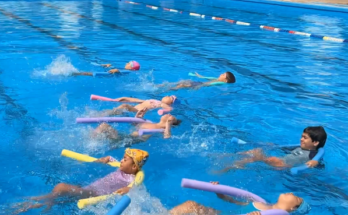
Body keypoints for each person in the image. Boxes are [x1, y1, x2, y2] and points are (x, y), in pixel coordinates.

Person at [12, 148, 148, 214]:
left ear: (134, 167)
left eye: (125, 159)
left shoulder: (131, 177)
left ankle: (42, 201)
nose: (121, 160)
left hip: (94, 193)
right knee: (64, 197)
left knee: (61, 187)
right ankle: (37, 203)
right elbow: (111, 160)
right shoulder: (120, 168)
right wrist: (106, 159)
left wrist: (128, 189)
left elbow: (135, 186)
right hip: (89, 189)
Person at [218, 126, 327, 173]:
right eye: (302, 136)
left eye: (305, 138)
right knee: (255, 153)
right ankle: (232, 159)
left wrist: (315, 162)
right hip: (279, 161)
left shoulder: (313, 154)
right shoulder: (298, 147)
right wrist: (272, 145)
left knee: (257, 154)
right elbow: (283, 148)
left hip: (283, 166)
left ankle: (231, 164)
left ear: (315, 142)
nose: (301, 139)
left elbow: (318, 163)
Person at [170, 182, 311, 215]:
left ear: (293, 208)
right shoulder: (261, 203)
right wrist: (219, 193)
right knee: (191, 204)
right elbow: (233, 202)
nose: (292, 193)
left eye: (296, 198)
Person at [93, 108, 182, 142]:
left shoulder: (162, 129)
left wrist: (168, 124)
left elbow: (167, 137)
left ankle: (90, 144)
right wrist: (137, 118)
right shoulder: (150, 122)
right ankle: (90, 141)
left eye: (171, 117)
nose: (169, 114)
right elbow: (133, 126)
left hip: (130, 141)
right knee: (103, 126)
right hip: (125, 137)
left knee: (104, 126)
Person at [97, 95, 177, 117]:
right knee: (124, 104)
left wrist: (163, 111)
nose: (168, 96)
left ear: (170, 102)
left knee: (125, 106)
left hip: (137, 111)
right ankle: (105, 113)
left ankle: (103, 115)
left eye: (170, 97)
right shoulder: (154, 100)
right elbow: (136, 100)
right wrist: (125, 98)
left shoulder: (162, 104)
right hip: (134, 108)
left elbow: (170, 108)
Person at [159, 72, 236, 90]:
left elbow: (207, 84)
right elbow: (206, 77)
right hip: (198, 83)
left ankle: (166, 90)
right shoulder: (215, 78)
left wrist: (198, 87)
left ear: (225, 80)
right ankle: (160, 86)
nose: (221, 74)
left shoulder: (219, 82)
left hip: (198, 84)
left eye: (223, 75)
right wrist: (198, 75)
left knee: (182, 85)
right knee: (183, 81)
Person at [72, 61, 140, 76]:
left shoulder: (129, 71)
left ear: (132, 67)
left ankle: (76, 73)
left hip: (108, 75)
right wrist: (110, 66)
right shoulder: (126, 69)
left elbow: (125, 72)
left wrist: (117, 70)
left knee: (92, 73)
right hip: (110, 73)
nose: (126, 63)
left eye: (128, 63)